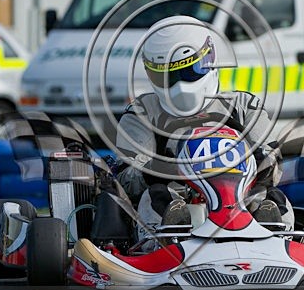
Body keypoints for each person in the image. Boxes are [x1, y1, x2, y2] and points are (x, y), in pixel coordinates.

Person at [114, 15, 293, 241]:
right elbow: (125, 180)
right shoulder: (142, 112)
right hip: (178, 196)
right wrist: (158, 167)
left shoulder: (243, 106)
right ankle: (166, 245)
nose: (179, 86)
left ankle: (276, 244)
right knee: (156, 196)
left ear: (209, 59)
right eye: (166, 76)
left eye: (188, 72)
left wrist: (261, 160)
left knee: (270, 197)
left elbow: (274, 168)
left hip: (239, 198)